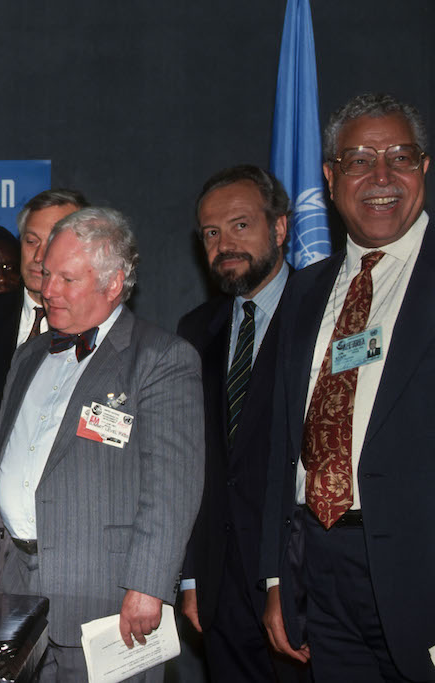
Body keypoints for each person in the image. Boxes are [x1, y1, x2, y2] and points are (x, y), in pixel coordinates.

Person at [0, 207, 204, 682]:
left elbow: (172, 488)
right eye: (45, 274)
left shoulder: (161, 359)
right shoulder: (28, 355)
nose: (47, 290)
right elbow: (1, 458)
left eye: (67, 279)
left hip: (106, 596)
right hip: (12, 584)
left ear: (113, 283)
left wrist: (149, 586)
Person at [261, 93, 435, 682]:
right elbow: (282, 444)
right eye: (360, 160)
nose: (381, 176)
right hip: (320, 568)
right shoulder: (305, 291)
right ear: (332, 179)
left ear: (425, 168)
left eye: (400, 157)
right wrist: (278, 576)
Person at [178, 166, 307, 682]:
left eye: (239, 226)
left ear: (278, 229)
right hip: (219, 585)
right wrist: (190, 576)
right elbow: (191, 459)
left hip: (299, 579)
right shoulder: (195, 329)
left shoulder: (322, 312)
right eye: (211, 233)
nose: (224, 244)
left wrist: (285, 576)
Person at [0, 189, 88, 554]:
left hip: (65, 537)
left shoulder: (100, 329)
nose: (40, 256)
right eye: (31, 241)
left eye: (54, 240)